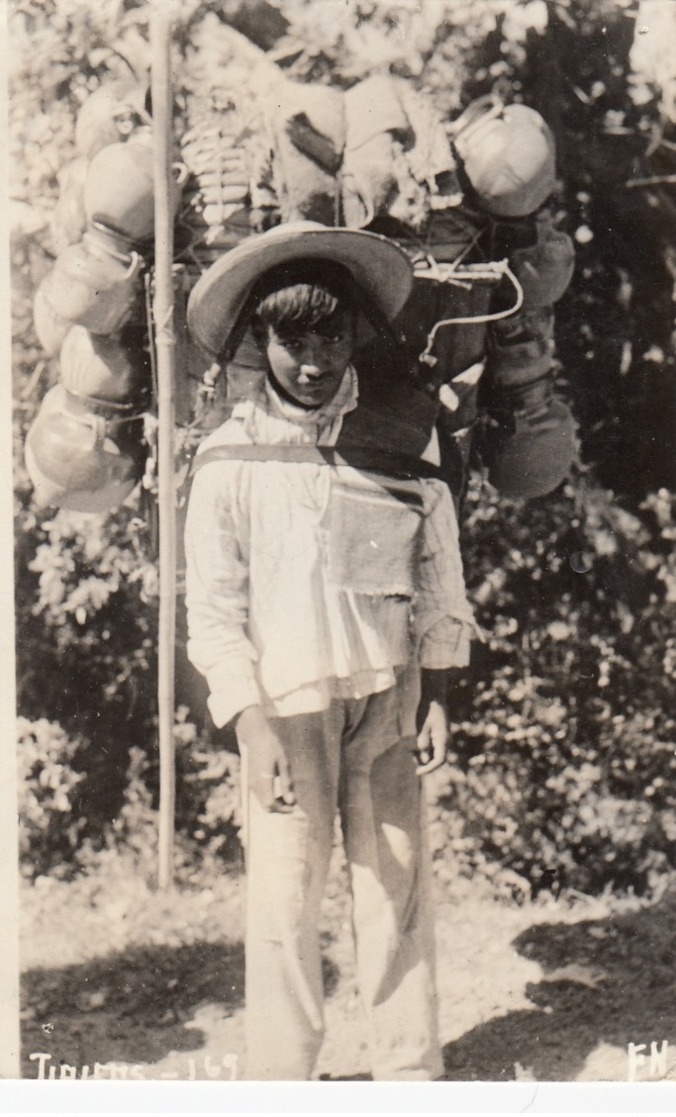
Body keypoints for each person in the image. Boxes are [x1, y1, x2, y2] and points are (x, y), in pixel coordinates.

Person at [183, 222, 477, 1081]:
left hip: (387, 699)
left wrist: (439, 690)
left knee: (396, 887)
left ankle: (410, 1072)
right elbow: (213, 604)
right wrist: (247, 719)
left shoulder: (402, 438)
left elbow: (439, 569)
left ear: (357, 335)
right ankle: (282, 1079)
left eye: (332, 335)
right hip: (284, 710)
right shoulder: (229, 455)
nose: (314, 360)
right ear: (260, 340)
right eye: (293, 338)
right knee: (283, 897)